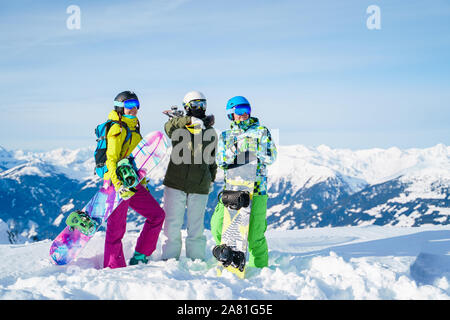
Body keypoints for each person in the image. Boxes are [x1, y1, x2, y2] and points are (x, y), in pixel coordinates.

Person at [210, 96, 277, 268]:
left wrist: (252, 147)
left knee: (255, 235)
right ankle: (227, 256)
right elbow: (221, 161)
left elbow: (271, 157)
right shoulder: (226, 136)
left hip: (256, 190)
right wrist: (238, 146)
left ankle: (260, 269)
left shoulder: (261, 131)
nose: (243, 114)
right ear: (231, 114)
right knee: (217, 226)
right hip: (232, 190)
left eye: (246, 110)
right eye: (238, 111)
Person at [103, 90, 165, 269]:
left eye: (136, 105)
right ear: (120, 107)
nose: (134, 109)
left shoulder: (134, 128)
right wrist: (118, 185)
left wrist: (142, 184)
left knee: (157, 215)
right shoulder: (116, 127)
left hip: (132, 183)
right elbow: (111, 159)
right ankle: (113, 268)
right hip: (116, 184)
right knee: (116, 230)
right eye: (129, 105)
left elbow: (138, 162)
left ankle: (140, 256)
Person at [161, 90, 217, 261]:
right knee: (172, 224)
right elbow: (168, 128)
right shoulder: (179, 125)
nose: (199, 108)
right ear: (187, 107)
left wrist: (211, 178)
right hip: (176, 182)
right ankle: (169, 260)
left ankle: (196, 260)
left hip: (200, 184)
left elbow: (212, 158)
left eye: (202, 104)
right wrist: (187, 120)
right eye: (195, 104)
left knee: (196, 228)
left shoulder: (210, 131)